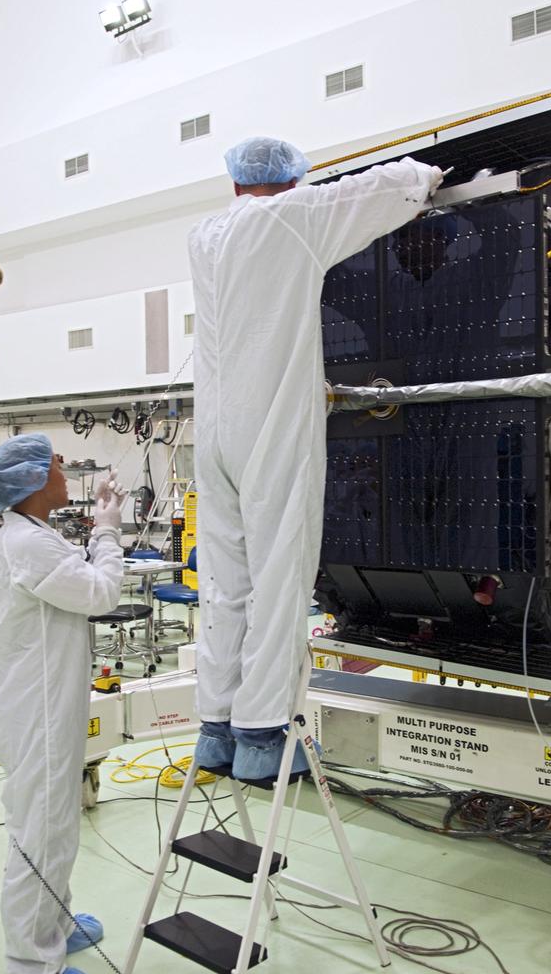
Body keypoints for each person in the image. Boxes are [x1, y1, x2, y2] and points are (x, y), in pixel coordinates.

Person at [188, 136, 443, 781]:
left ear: (236, 180)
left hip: (214, 428)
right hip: (268, 424)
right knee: (279, 575)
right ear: (294, 179)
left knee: (225, 581)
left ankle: (215, 729)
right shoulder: (295, 218)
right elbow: (393, 187)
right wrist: (432, 172)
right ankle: (262, 737)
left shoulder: (205, 235)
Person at [0, 434, 124, 974]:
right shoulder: (28, 543)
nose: (65, 470)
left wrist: (95, 535)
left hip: (47, 703)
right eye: (58, 463)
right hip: (35, 710)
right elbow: (102, 592)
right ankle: (32, 969)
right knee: (39, 832)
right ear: (34, 480)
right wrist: (108, 528)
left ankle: (54, 925)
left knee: (57, 822)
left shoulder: (35, 535)